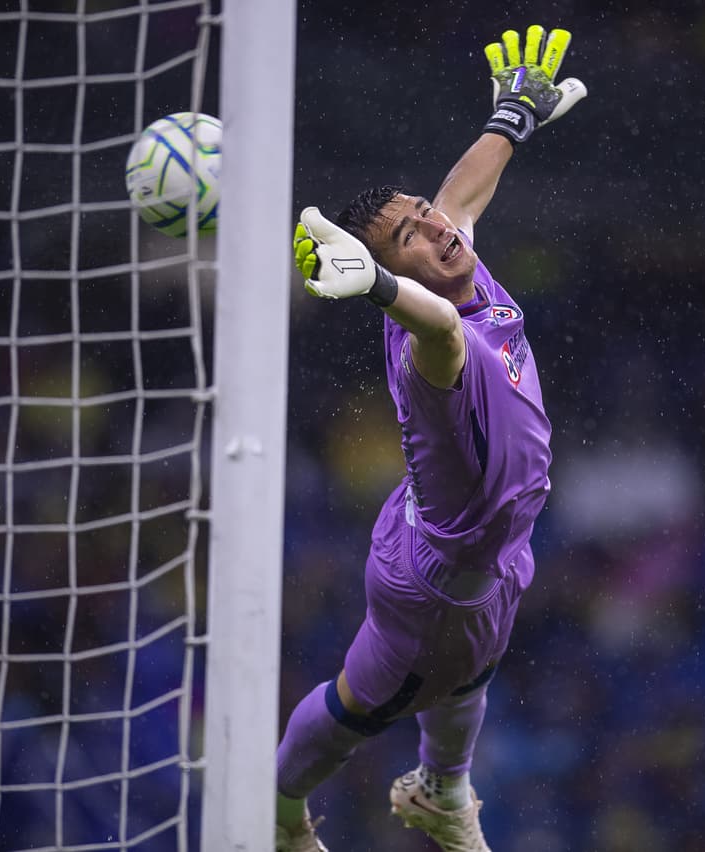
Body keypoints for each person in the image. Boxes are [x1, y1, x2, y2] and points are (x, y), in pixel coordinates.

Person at [275, 24, 587, 852]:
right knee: (358, 708)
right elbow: (439, 326)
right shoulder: (434, 346)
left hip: (476, 539)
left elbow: (462, 197)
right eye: (410, 235)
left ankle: (443, 792)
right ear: (395, 274)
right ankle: (275, 810)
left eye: (419, 214)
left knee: (470, 677)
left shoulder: (452, 259)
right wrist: (377, 286)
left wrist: (513, 117)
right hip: (438, 586)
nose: (435, 228)